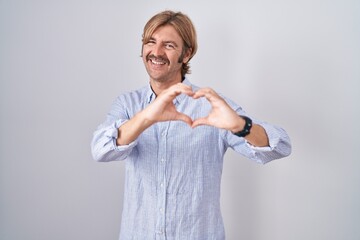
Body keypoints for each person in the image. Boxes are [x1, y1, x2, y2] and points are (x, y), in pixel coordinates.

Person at [91, 10, 291, 240]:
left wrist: (240, 126)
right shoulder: (128, 104)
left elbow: (281, 145)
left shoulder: (212, 106)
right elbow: (100, 150)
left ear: (186, 54)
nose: (156, 52)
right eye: (150, 42)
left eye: (168, 45)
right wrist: (147, 117)